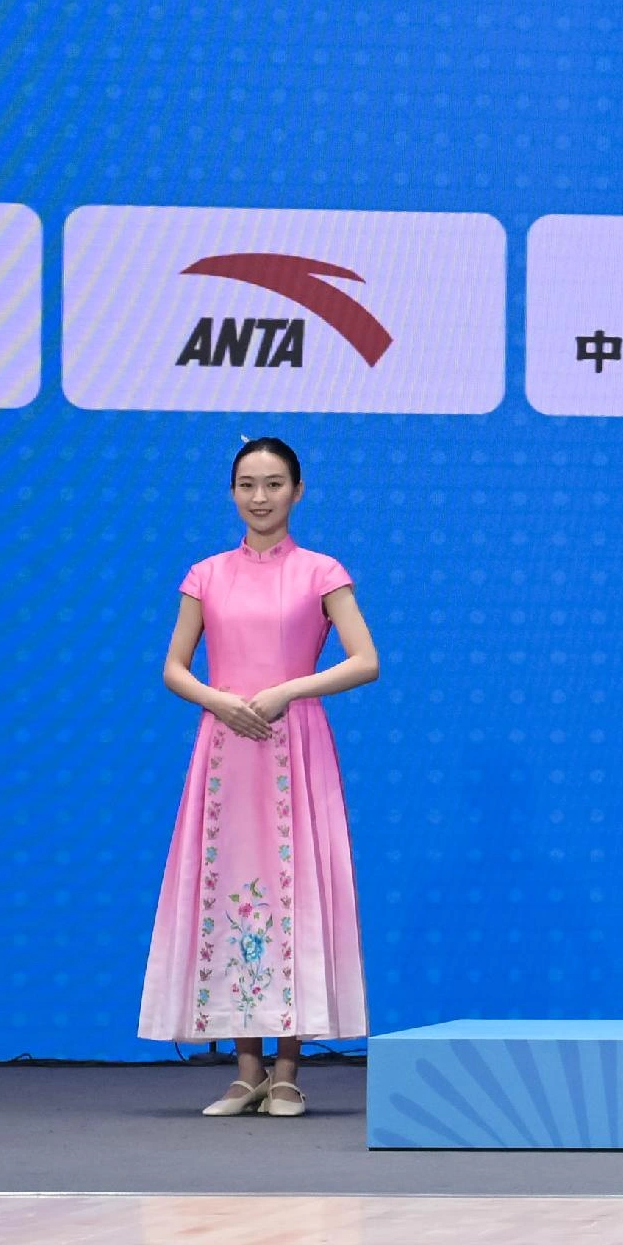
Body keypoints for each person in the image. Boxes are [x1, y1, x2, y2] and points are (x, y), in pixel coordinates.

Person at [143, 437, 381, 1115]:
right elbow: (175, 667)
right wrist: (217, 699)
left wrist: (287, 692)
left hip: (293, 743)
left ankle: (286, 1070)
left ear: (298, 491)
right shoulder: (206, 574)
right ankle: (244, 1072)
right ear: (232, 492)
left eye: (274, 483)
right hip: (225, 752)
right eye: (247, 484)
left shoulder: (321, 571)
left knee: (292, 893)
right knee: (231, 895)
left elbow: (365, 659)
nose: (260, 496)